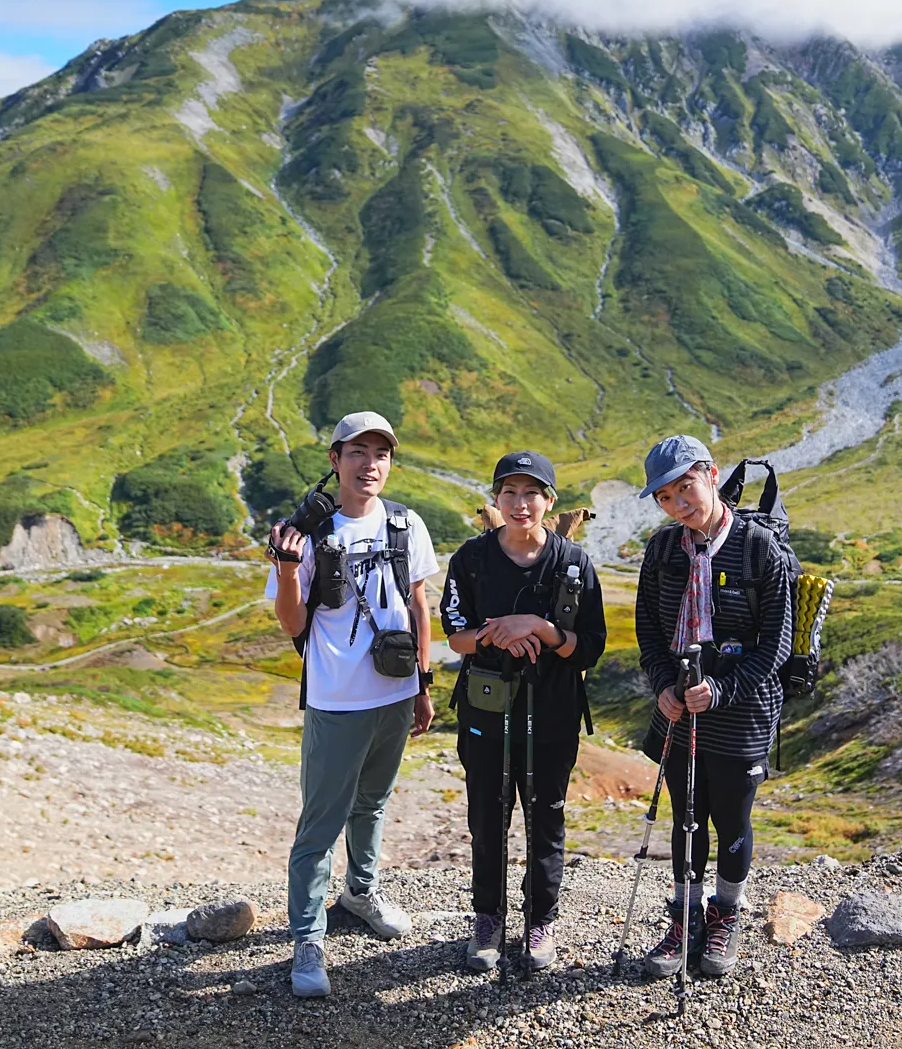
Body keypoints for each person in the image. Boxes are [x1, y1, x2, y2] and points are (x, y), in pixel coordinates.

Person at [265, 411, 438, 999]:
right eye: (358, 453)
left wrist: (423, 681)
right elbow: (292, 621)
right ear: (335, 460)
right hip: (336, 700)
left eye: (381, 454)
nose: (371, 465)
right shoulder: (306, 530)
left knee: (373, 803)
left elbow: (419, 603)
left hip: (395, 692)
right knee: (319, 825)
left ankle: (360, 893)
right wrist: (289, 570)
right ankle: (308, 938)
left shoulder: (405, 522)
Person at [440, 451, 606, 973]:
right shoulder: (469, 559)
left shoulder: (575, 564)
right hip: (485, 713)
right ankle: (487, 918)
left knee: (546, 819)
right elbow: (455, 635)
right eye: (508, 492)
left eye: (531, 493)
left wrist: (539, 627)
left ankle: (540, 919)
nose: (519, 503)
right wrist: (499, 635)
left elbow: (591, 646)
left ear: (549, 502)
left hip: (553, 714)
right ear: (495, 499)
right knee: (487, 820)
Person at [633, 434, 791, 978]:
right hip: (679, 706)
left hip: (743, 710)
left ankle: (726, 915)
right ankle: (685, 919)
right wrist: (662, 686)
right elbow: (649, 633)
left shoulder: (758, 549)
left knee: (731, 818)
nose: (679, 504)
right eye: (666, 497)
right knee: (685, 818)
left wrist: (722, 690)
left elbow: (776, 645)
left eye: (686, 487)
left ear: (712, 475)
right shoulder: (661, 550)